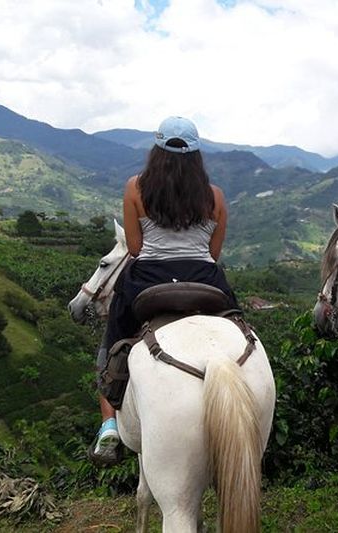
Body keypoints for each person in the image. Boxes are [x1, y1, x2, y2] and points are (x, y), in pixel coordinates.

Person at [90, 116, 238, 464]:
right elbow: (213, 254)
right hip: (205, 277)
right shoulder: (215, 197)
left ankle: (109, 424)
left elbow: (136, 248)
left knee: (112, 342)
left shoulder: (134, 188)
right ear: (197, 155)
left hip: (148, 278)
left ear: (156, 151)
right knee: (239, 327)